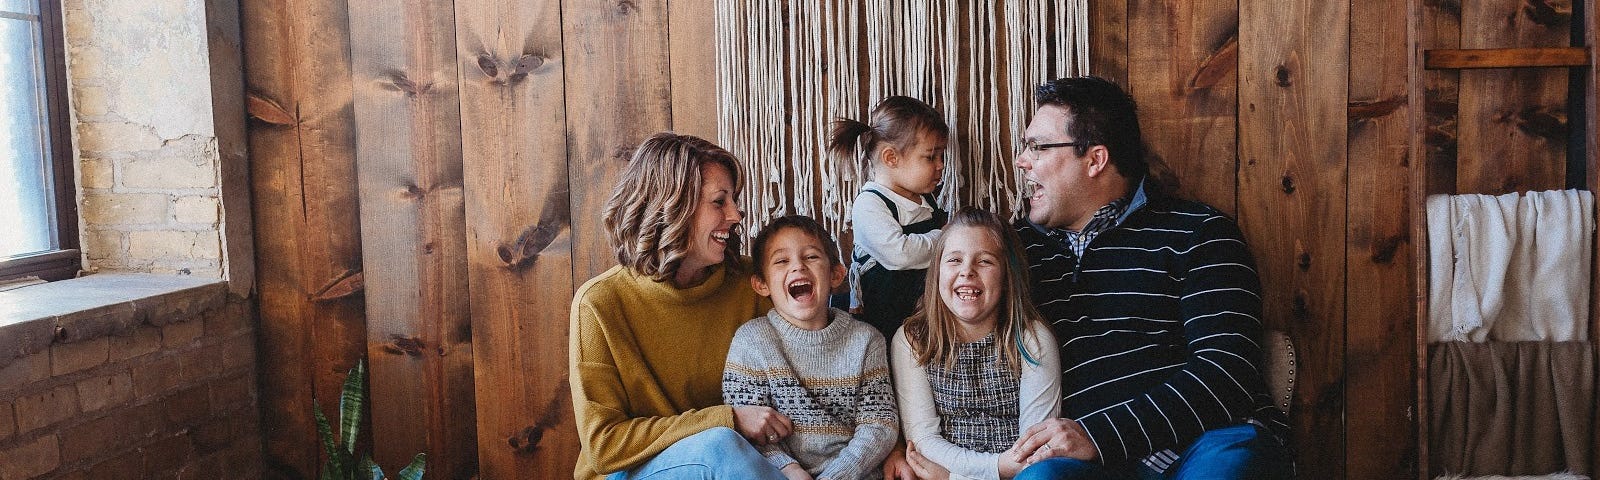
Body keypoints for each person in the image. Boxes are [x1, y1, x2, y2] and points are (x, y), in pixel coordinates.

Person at [1005, 77, 1290, 479]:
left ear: (1095, 159)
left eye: (1037, 146)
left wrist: (1100, 435)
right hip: (1090, 469)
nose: (1021, 160)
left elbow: (1228, 371)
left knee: (1232, 462)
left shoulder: (1199, 232)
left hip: (1201, 448)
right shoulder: (1010, 252)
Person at [569, 132, 791, 480]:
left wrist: (890, 446)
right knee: (718, 446)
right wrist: (728, 417)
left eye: (734, 199)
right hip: (630, 472)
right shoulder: (599, 304)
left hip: (737, 464)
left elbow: (824, 357)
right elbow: (604, 445)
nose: (736, 214)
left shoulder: (755, 282)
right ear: (672, 207)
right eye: (720, 201)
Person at [884, 207, 1062, 480]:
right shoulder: (913, 340)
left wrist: (951, 477)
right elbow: (923, 443)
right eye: (954, 260)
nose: (967, 271)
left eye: (985, 261)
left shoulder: (1031, 338)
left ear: (1006, 277)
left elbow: (1034, 448)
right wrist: (997, 468)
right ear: (937, 273)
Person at [722, 215, 899, 480]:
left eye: (811, 257)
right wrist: (789, 470)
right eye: (782, 261)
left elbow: (879, 423)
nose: (798, 268)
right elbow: (748, 430)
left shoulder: (866, 340)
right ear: (761, 284)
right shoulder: (751, 341)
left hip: (856, 474)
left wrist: (837, 476)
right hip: (779, 475)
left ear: (836, 274)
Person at [829, 96, 951, 340]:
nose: (940, 166)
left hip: (922, 314)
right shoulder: (870, 204)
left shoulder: (926, 199)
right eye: (930, 157)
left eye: (941, 156)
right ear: (891, 158)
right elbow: (900, 254)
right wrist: (947, 237)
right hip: (883, 319)